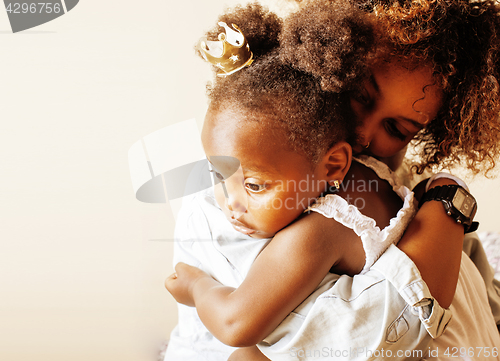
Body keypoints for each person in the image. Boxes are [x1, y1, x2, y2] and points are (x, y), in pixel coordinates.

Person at [163, 3, 500, 360]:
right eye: (361, 96)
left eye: (396, 129)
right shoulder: (249, 175)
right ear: (331, 63)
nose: (363, 133)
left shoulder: (378, 196)